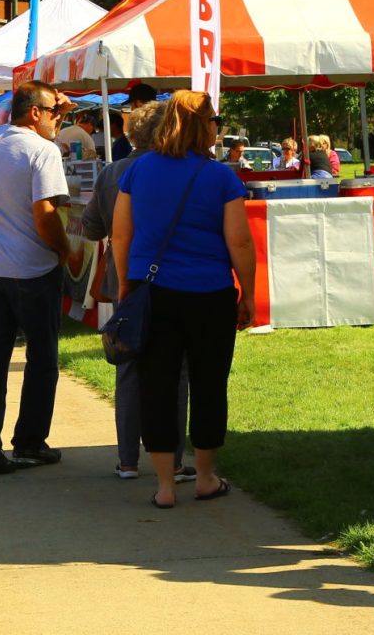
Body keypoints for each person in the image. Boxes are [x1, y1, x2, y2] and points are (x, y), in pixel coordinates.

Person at [111, 91, 256, 509]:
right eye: (215, 120)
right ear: (202, 125)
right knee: (210, 384)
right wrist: (248, 291)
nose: (218, 127)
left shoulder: (137, 173)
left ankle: (165, 485)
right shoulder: (221, 177)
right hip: (209, 293)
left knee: (156, 385)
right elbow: (239, 241)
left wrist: (126, 284)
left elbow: (121, 234)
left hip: (150, 290)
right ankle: (205, 476)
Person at [0, 80, 76, 478]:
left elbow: (27, 123)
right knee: (42, 357)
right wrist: (64, 249)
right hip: (31, 268)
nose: (56, 120)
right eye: (52, 114)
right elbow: (45, 213)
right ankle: (29, 441)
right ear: (35, 114)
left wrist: (57, 106)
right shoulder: (42, 150)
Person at [80, 101, 192, 483]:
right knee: (175, 371)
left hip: (126, 278)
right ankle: (174, 460)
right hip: (172, 277)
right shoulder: (182, 170)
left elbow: (92, 227)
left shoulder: (113, 172)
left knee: (127, 365)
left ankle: (128, 460)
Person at [111, 83, 157, 160]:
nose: (131, 109)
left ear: (138, 103)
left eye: (131, 105)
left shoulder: (141, 125)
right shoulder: (164, 119)